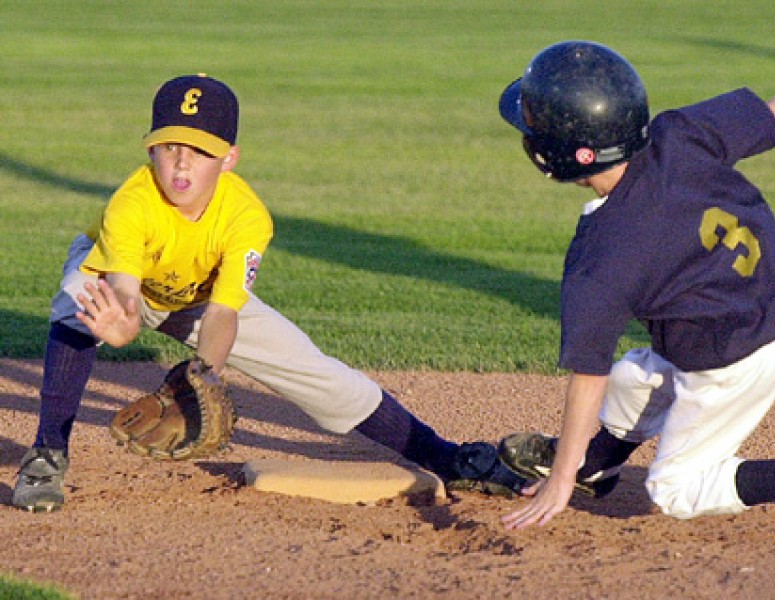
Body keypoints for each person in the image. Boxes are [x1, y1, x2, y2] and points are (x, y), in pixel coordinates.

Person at [13, 73, 526, 512]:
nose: (182, 165)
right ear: (150, 148)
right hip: (126, 284)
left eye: (200, 150)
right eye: (169, 147)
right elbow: (124, 295)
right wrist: (120, 329)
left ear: (229, 157)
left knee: (314, 370)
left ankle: (447, 457)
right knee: (79, 298)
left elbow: (222, 313)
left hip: (197, 295)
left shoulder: (247, 216)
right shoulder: (131, 204)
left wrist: (203, 375)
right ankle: (47, 453)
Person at [495, 40, 775, 528]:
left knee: (675, 491)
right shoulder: (676, 134)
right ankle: (599, 466)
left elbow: (586, 375)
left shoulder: (600, 258)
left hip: (736, 353)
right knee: (632, 382)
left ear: (555, 155)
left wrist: (561, 476)